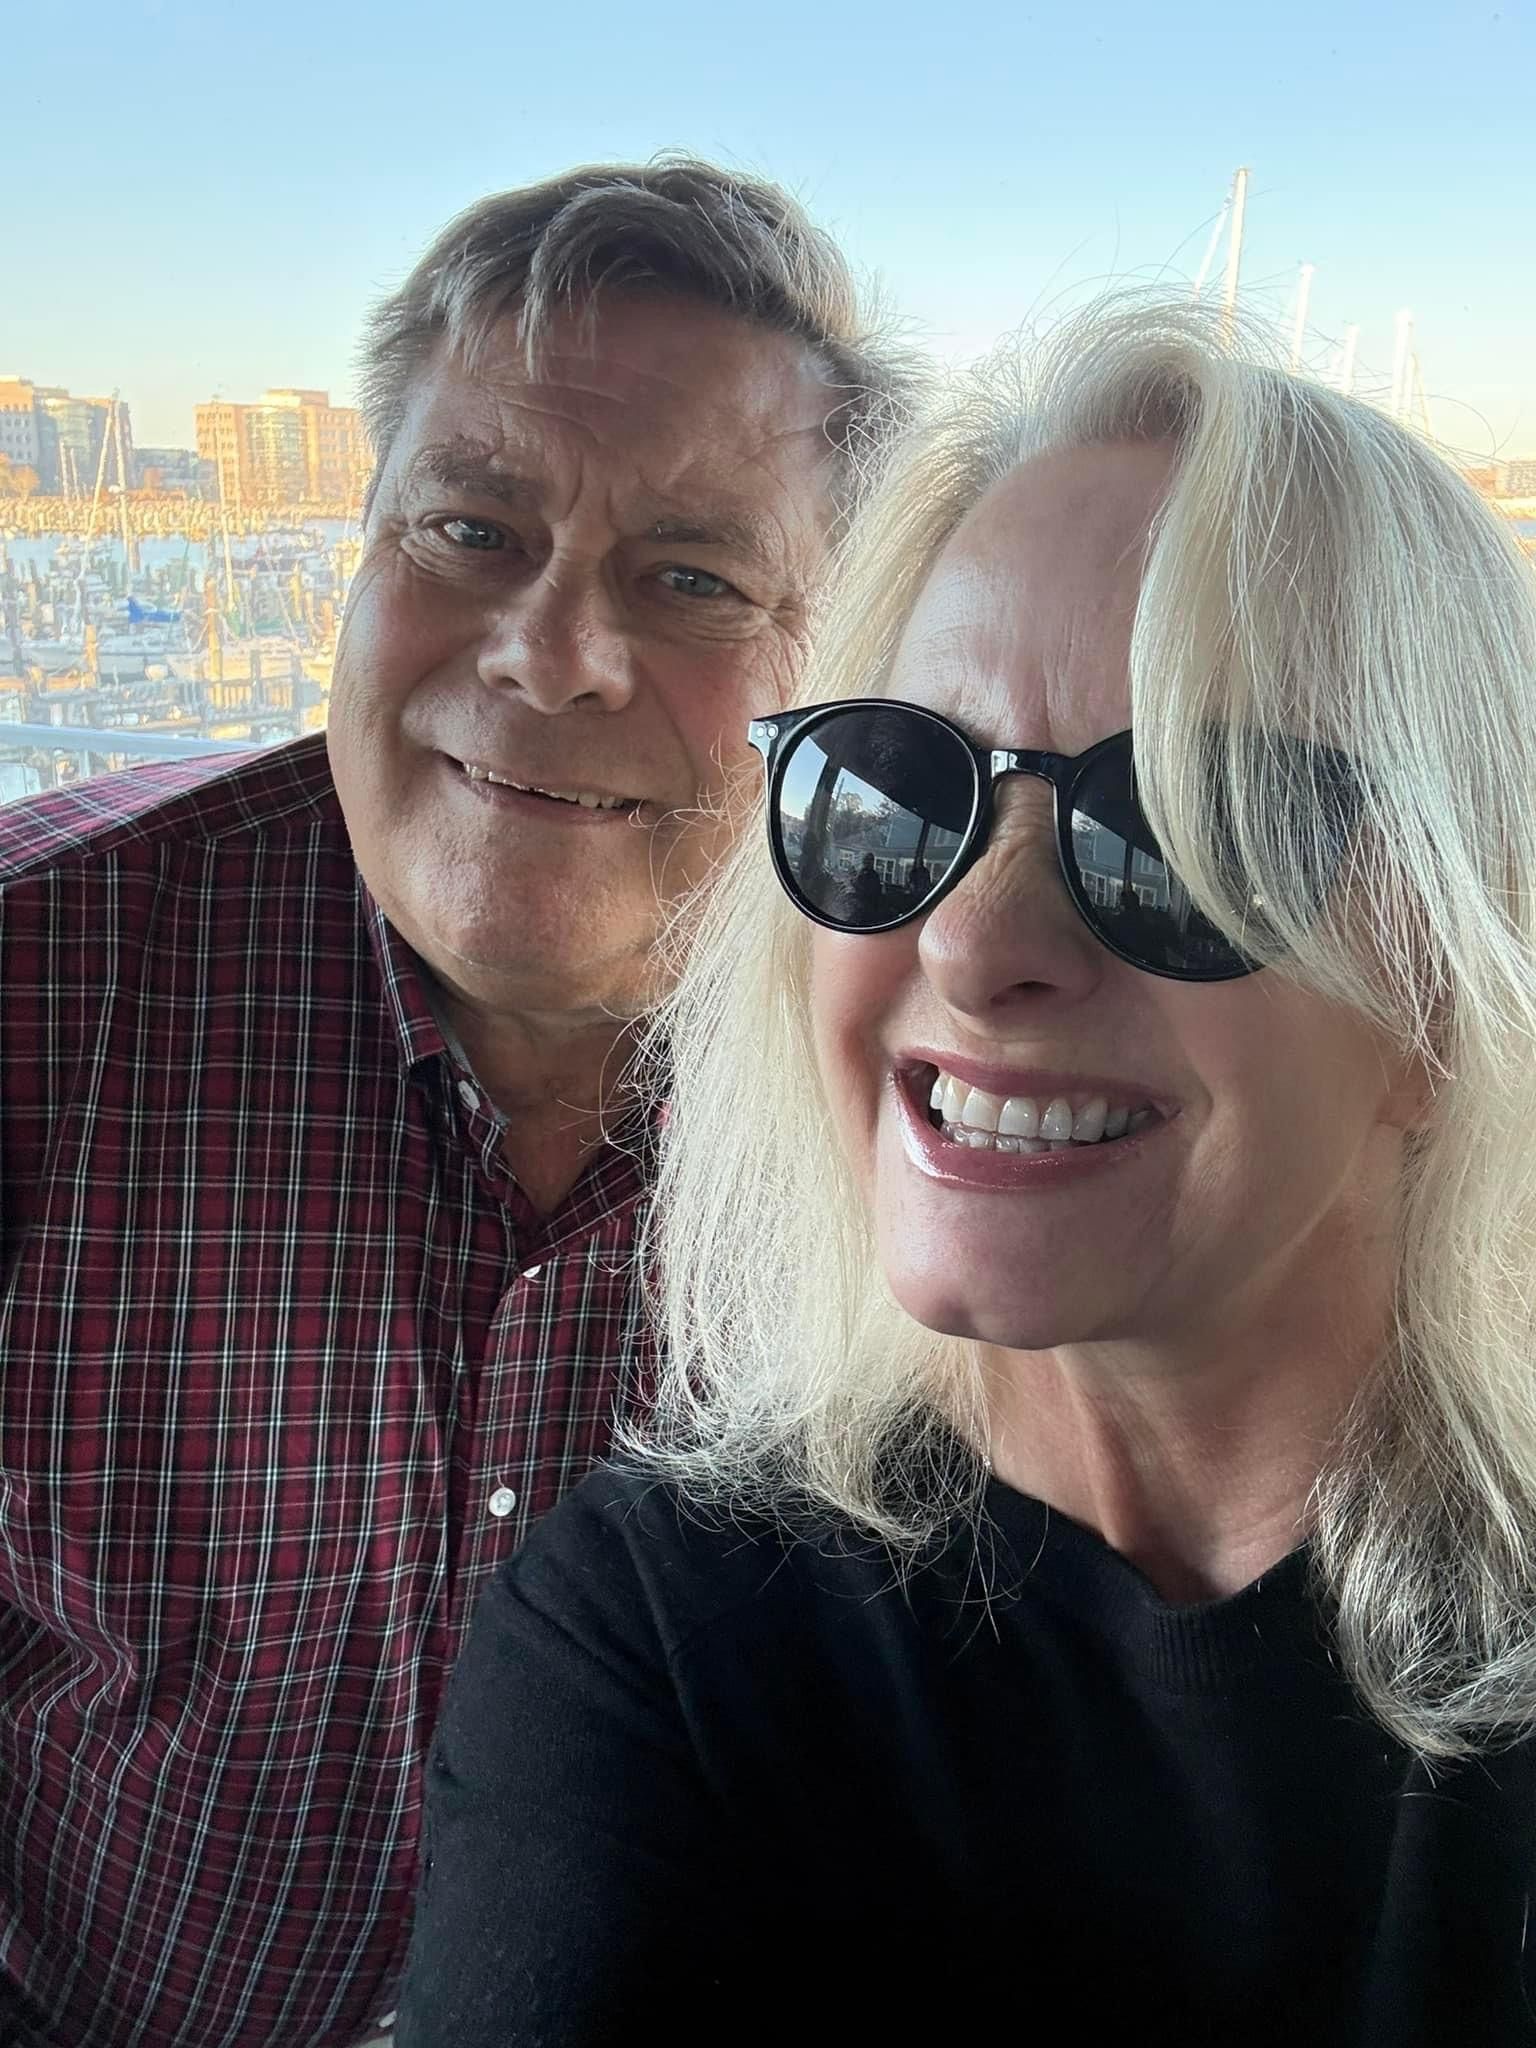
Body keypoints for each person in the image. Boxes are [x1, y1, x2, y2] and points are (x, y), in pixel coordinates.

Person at [397, 299, 1536, 2046]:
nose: (974, 940)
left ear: (1442, 980)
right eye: (899, 792)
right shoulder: (664, 1641)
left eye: (1177, 828)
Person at [0, 160, 912, 2048]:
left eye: (689, 578)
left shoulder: (938, 1066)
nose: (548, 652)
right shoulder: (39, 987)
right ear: (357, 562)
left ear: (838, 668)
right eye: (472, 533)